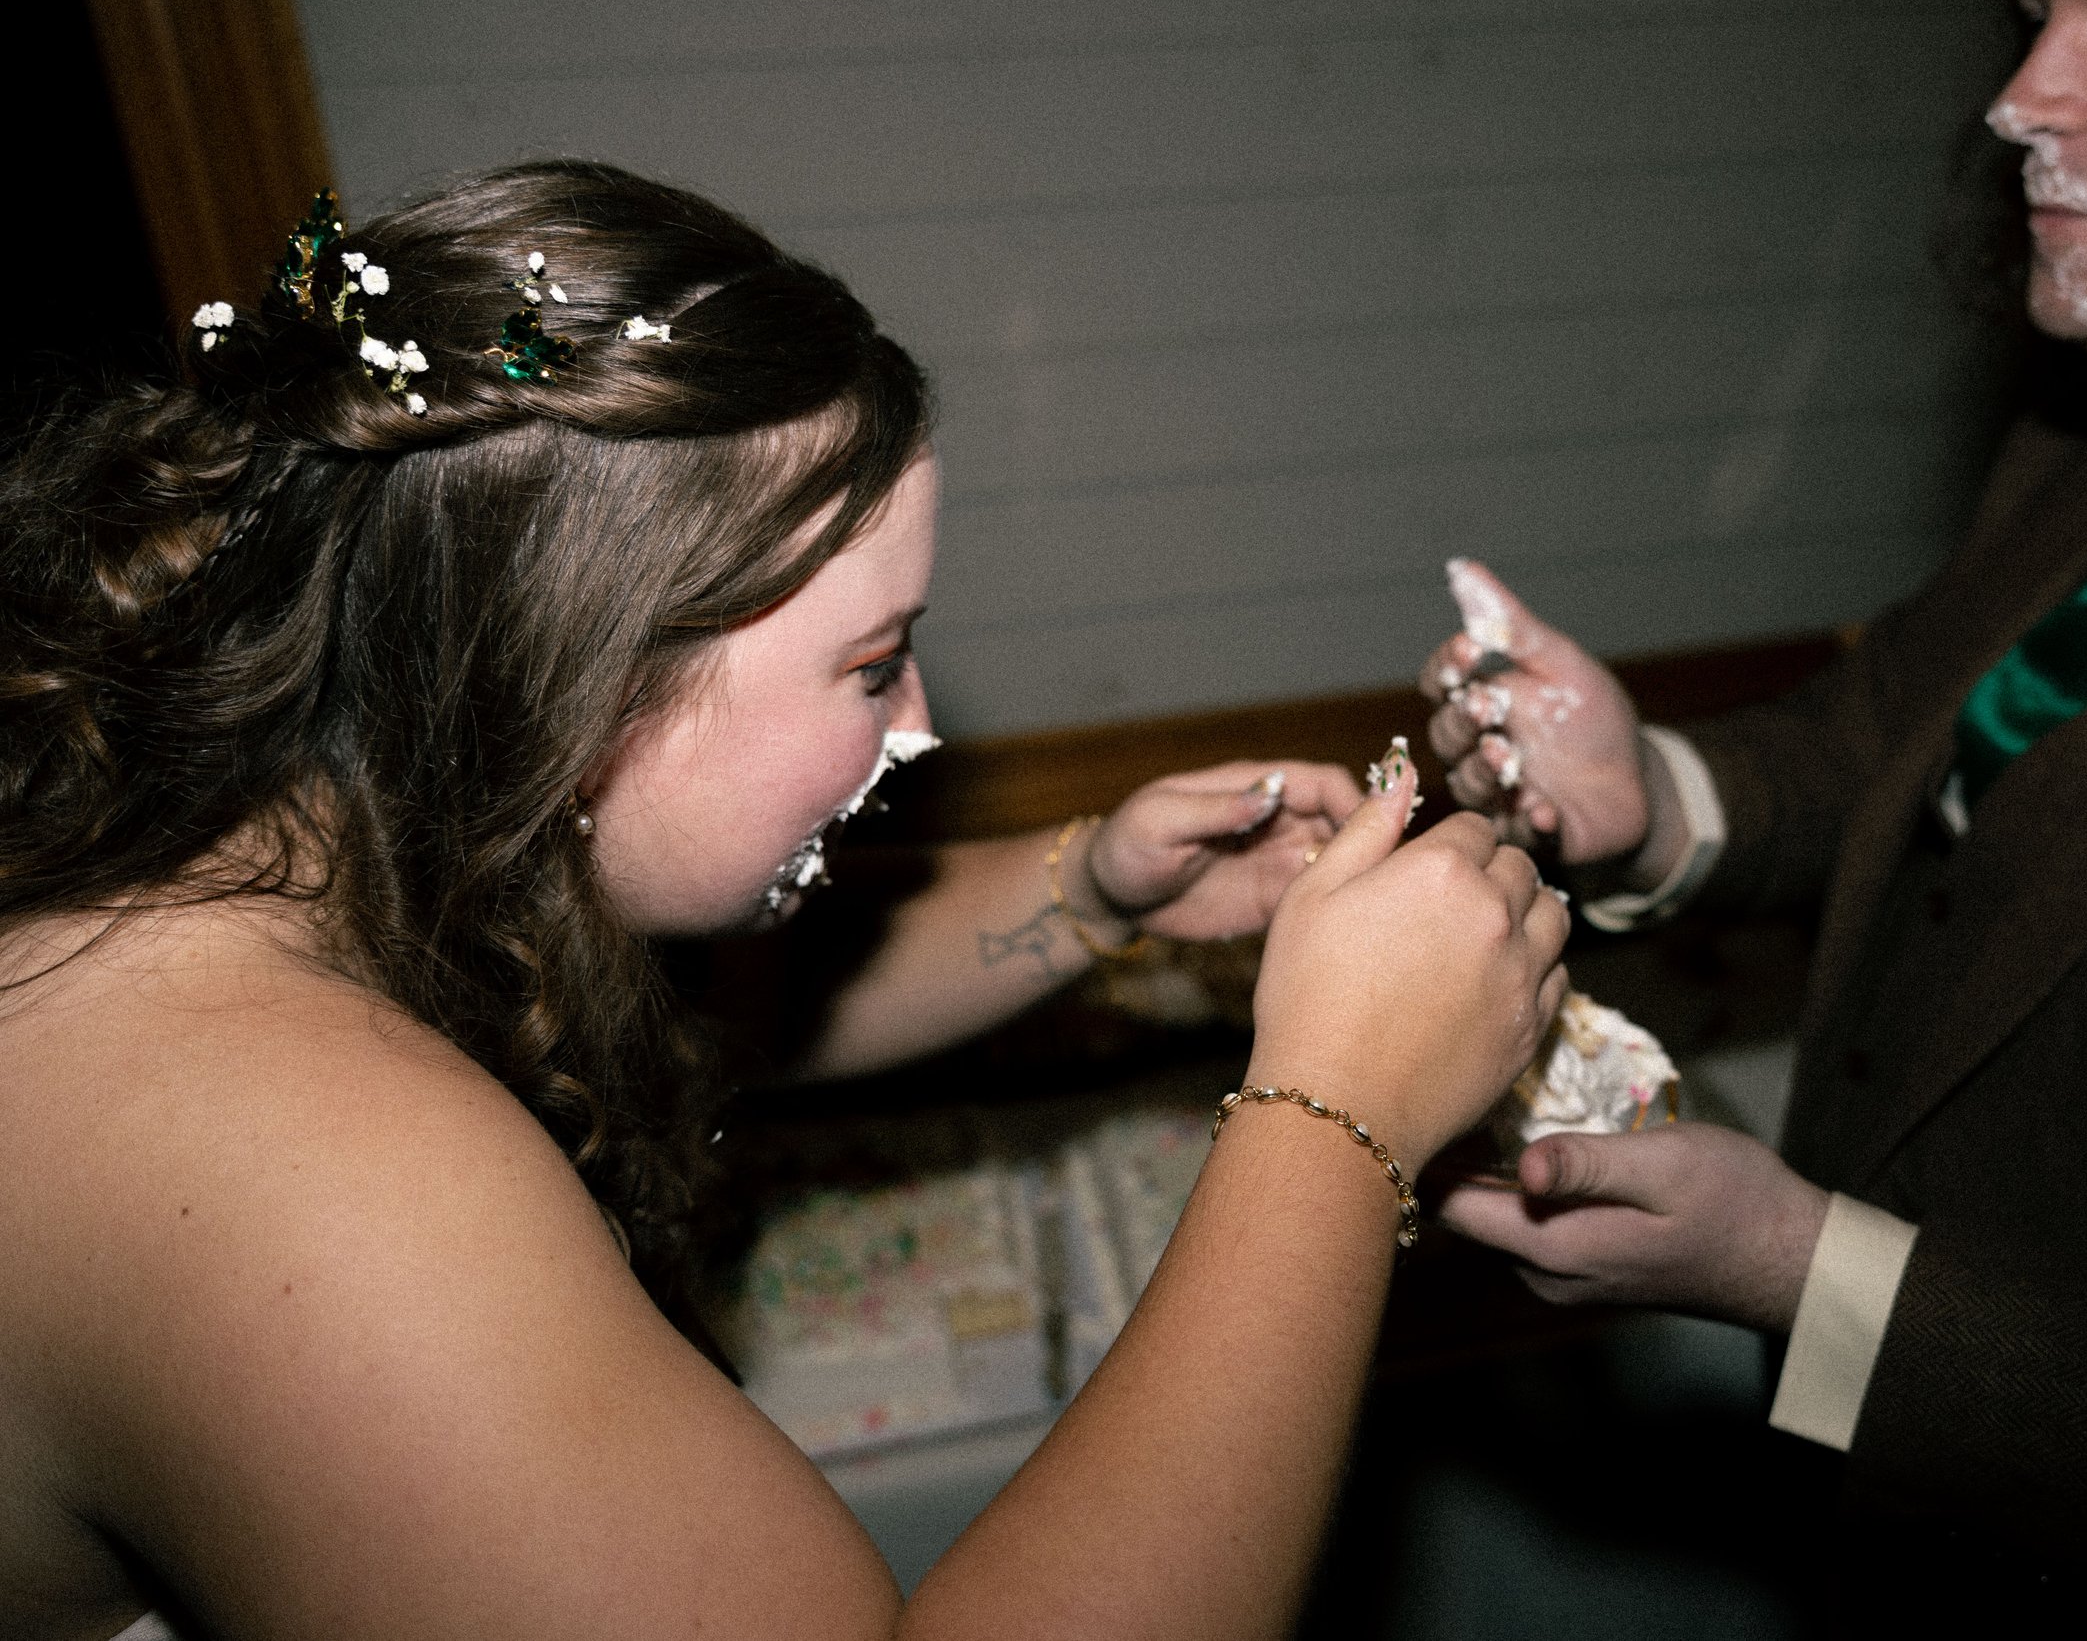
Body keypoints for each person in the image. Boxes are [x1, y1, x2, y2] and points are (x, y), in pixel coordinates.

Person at [0, 160, 1571, 1640]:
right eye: (873, 665)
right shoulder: (314, 1183)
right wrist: (1337, 1110)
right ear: (582, 689)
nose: (920, 728)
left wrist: (1095, 890)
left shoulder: (324, 825)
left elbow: (708, 1029)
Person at [1428, 0, 2087, 1623]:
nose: (2020, 96)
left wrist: (1812, 1279)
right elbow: (1906, 731)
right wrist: (1645, 791)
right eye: (2031, 9)